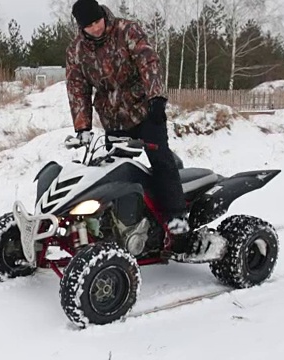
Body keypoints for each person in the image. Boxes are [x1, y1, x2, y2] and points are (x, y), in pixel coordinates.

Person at [65, 0, 197, 256]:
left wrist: (156, 98)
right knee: (115, 171)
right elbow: (77, 87)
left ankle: (176, 217)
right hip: (113, 118)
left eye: (96, 22)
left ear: (102, 15)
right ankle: (122, 224)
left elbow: (148, 63)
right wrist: (82, 126)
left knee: (160, 159)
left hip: (144, 112)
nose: (94, 28)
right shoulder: (76, 50)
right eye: (87, 26)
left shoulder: (126, 31)